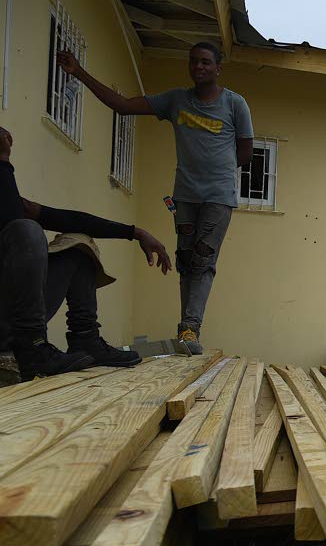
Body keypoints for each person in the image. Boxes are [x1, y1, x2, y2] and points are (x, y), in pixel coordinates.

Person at [58, 41, 253, 355]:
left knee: (203, 258)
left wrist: (215, 170)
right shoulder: (176, 100)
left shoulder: (235, 104)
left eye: (205, 62)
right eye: (193, 61)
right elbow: (123, 106)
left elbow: (244, 153)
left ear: (218, 67)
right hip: (184, 195)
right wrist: (78, 71)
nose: (198, 67)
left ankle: (190, 327)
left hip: (219, 198)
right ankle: (186, 330)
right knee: (186, 260)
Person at [0, 127, 172, 381]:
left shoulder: (9, 199)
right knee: (27, 231)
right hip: (13, 326)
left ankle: (85, 338)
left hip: (13, 317)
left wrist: (135, 232)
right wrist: (3, 160)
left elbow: (69, 220)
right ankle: (33, 347)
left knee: (77, 243)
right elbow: (12, 220)